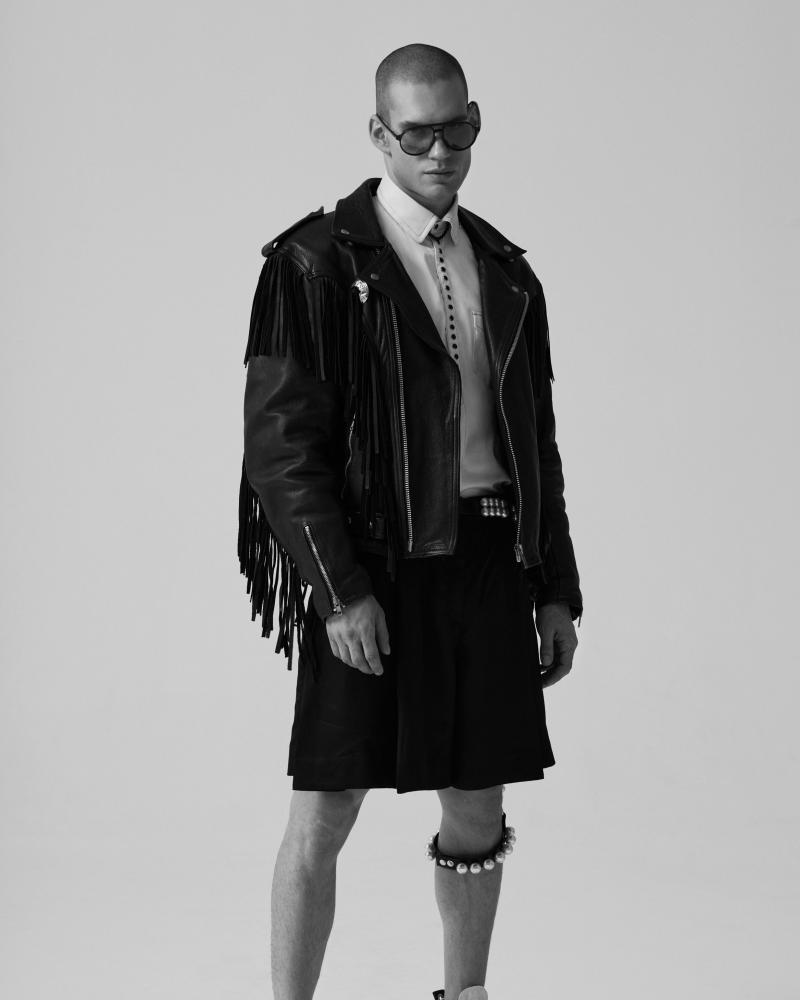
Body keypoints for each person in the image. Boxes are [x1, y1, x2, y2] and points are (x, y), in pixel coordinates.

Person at [238, 42, 583, 1000]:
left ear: (476, 123)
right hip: (373, 567)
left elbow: (537, 443)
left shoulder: (506, 269)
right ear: (379, 134)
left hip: (488, 558)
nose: (440, 152)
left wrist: (555, 587)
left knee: (478, 806)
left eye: (456, 129)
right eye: (418, 133)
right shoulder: (313, 262)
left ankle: (464, 995)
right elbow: (280, 449)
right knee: (325, 807)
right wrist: (337, 589)